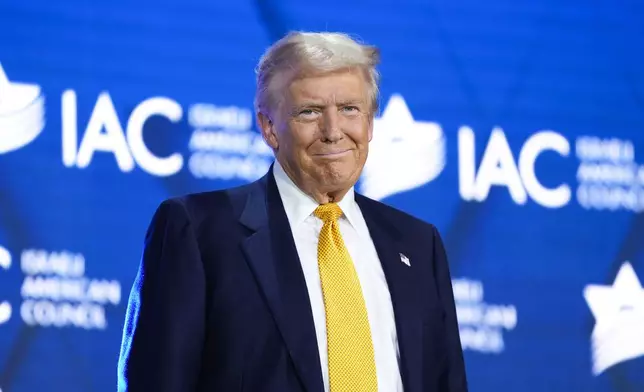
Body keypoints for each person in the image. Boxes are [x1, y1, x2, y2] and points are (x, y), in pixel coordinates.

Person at [117, 31, 468, 392]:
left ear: (370, 123)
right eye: (310, 112)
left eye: (350, 109)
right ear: (269, 127)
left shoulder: (416, 243)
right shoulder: (198, 230)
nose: (333, 132)